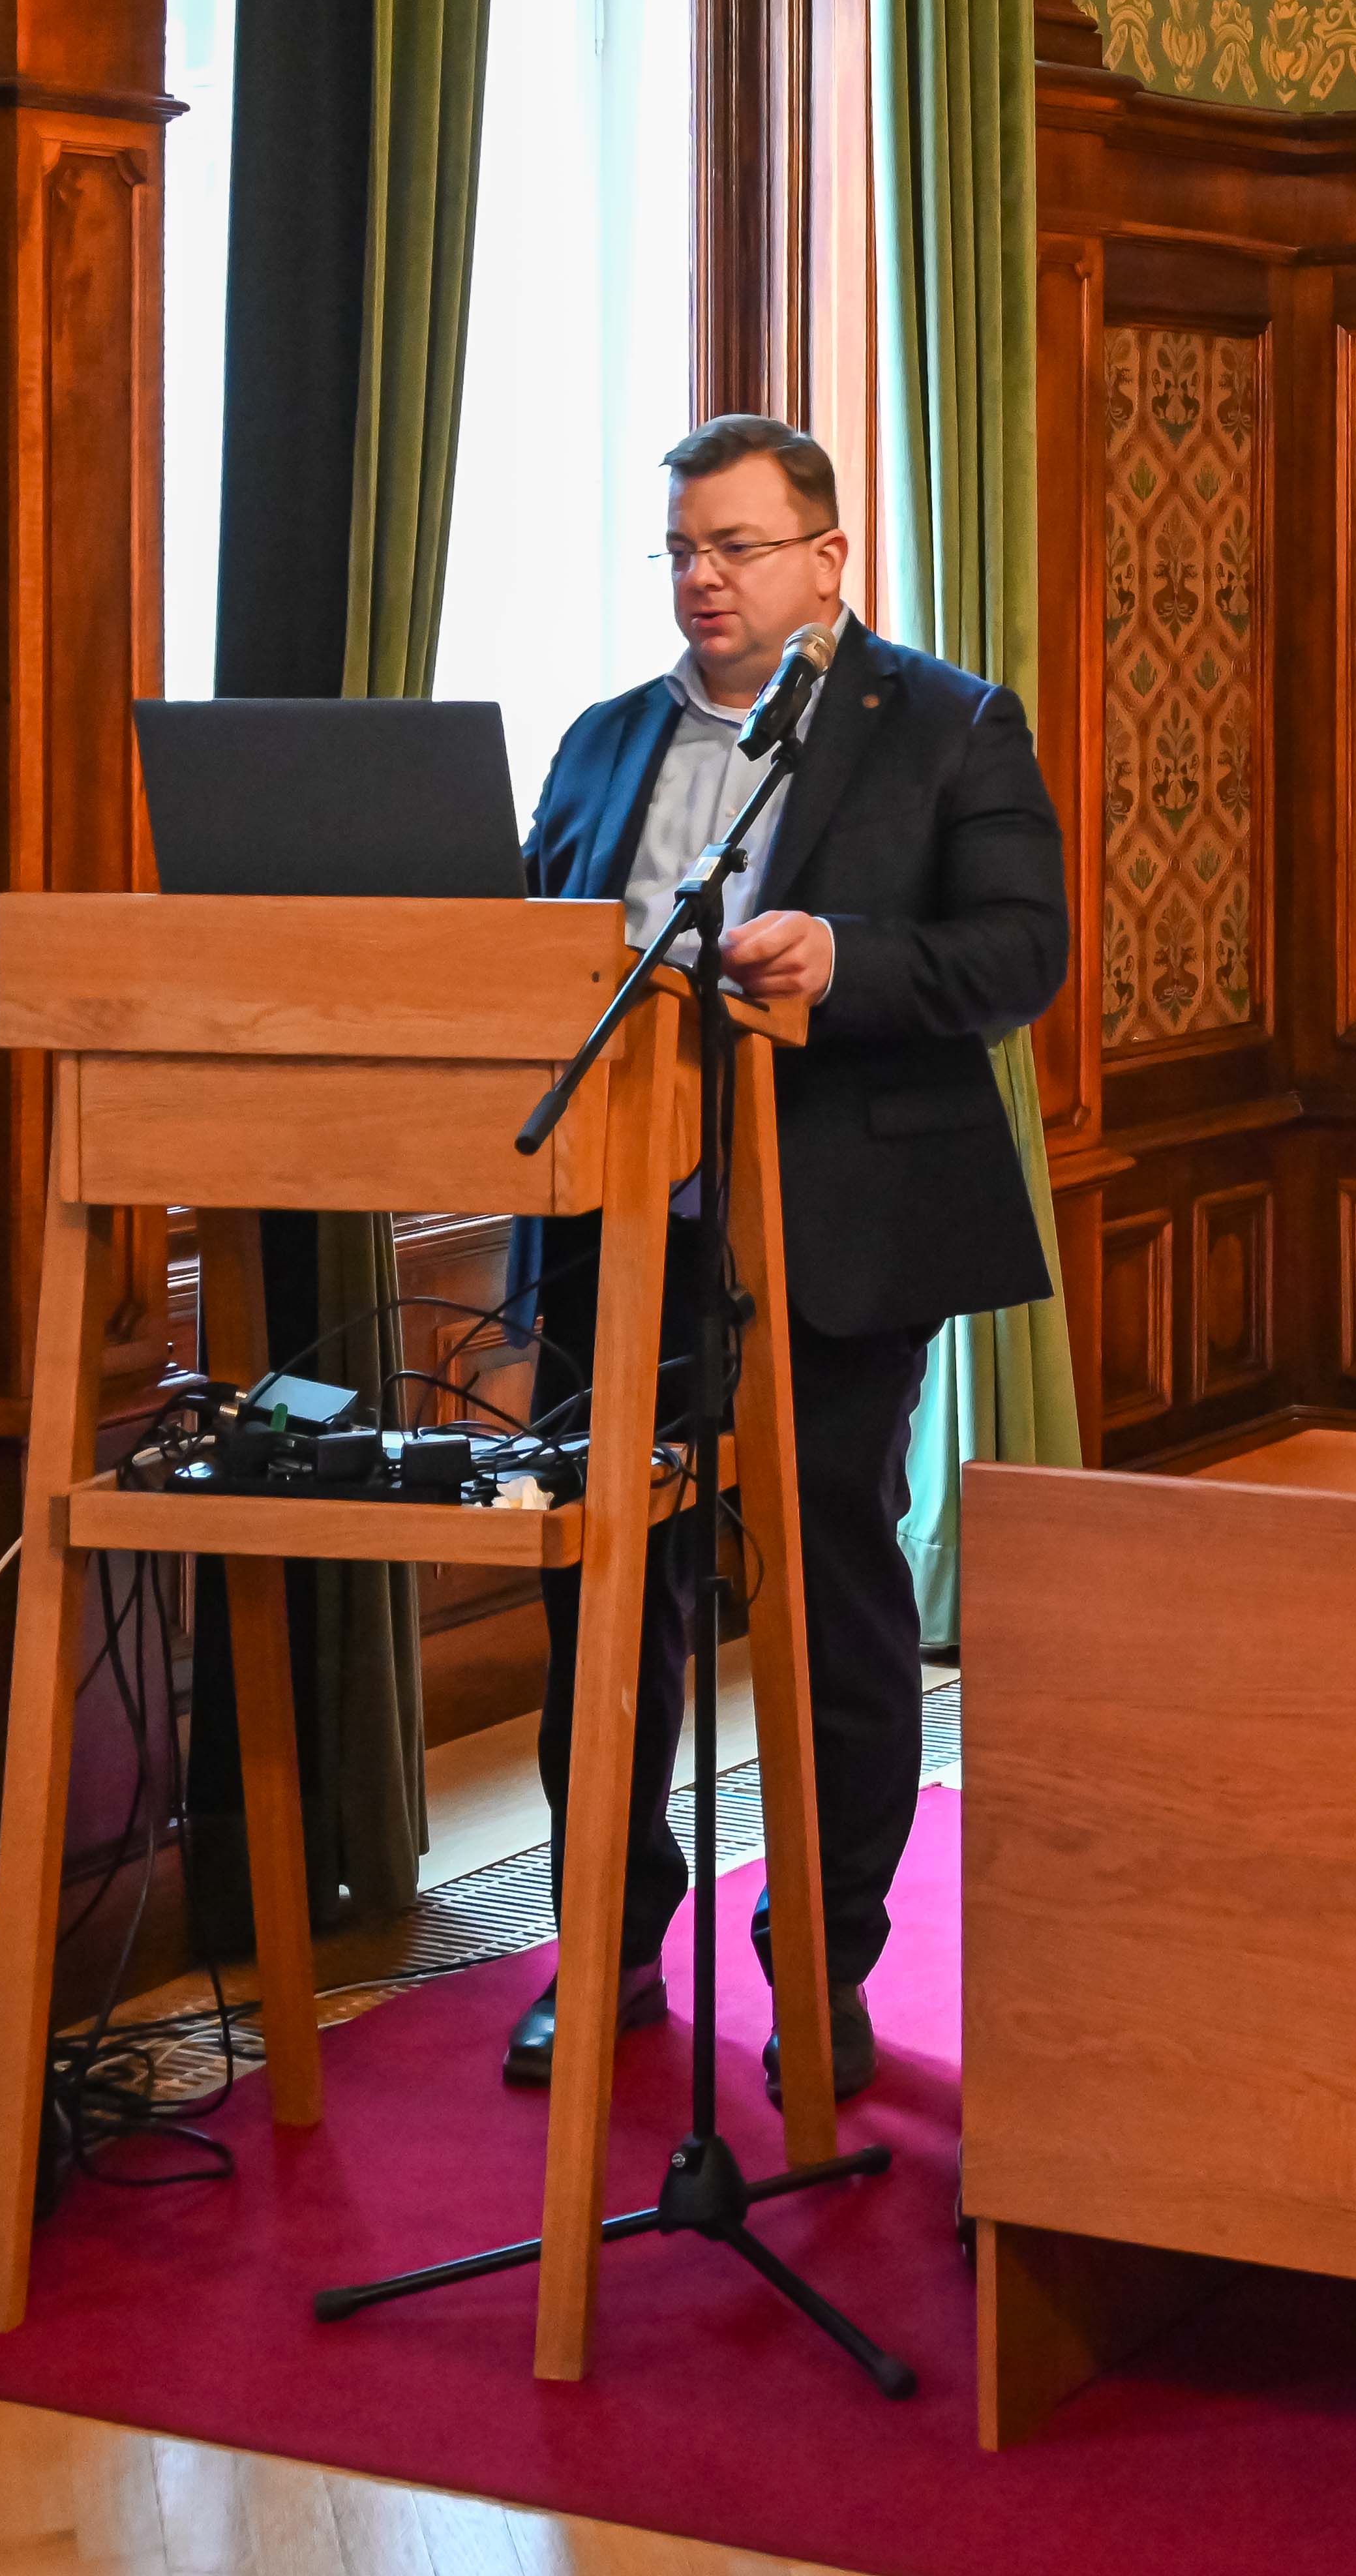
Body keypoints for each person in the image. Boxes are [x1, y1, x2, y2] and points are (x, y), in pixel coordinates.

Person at [503, 416, 1066, 2097]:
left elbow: (1020, 952)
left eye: (736, 547)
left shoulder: (949, 722)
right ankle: (608, 1941)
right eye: (681, 548)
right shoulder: (609, 738)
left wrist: (848, 958)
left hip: (834, 1232)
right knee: (606, 1602)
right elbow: (527, 943)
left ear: (826, 560)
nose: (702, 578)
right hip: (619, 1235)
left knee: (830, 1595)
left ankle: (820, 1957)